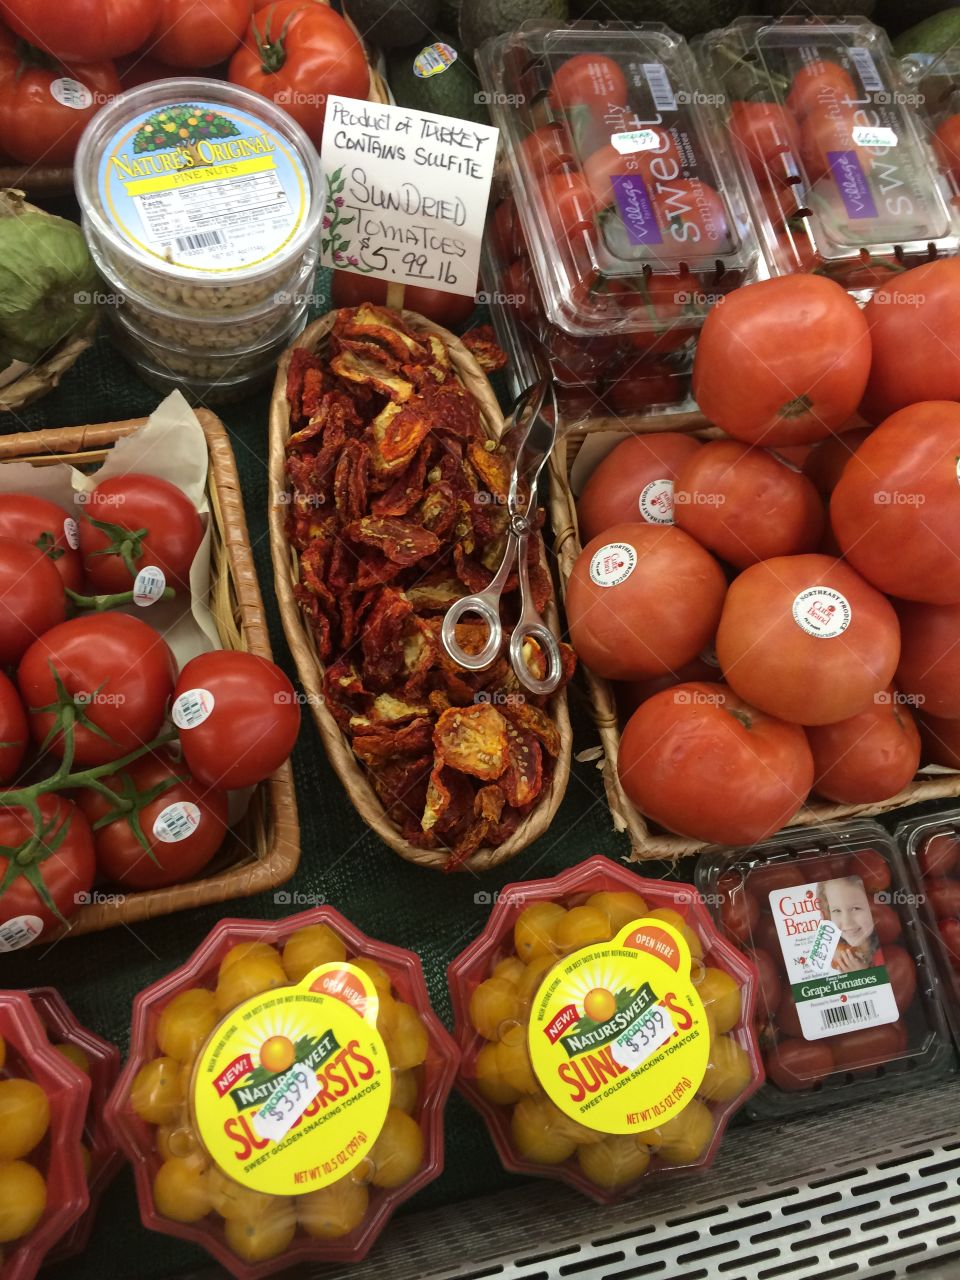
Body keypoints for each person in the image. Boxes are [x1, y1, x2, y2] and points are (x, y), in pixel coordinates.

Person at [817, 876, 882, 972]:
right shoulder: (835, 950)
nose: (847, 922)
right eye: (837, 910)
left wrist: (865, 975)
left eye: (855, 908)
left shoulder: (884, 953)